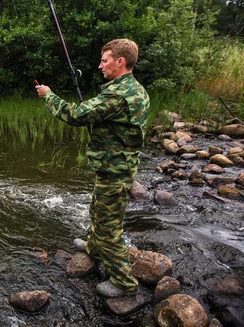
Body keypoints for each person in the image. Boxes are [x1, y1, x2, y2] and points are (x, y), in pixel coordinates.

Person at [35, 38, 150, 298]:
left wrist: (49, 95)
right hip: (115, 165)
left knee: (109, 226)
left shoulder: (119, 94)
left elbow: (76, 115)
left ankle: (124, 282)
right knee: (97, 208)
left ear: (120, 61)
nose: (100, 65)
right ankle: (93, 248)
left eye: (105, 60)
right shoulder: (135, 89)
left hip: (115, 169)